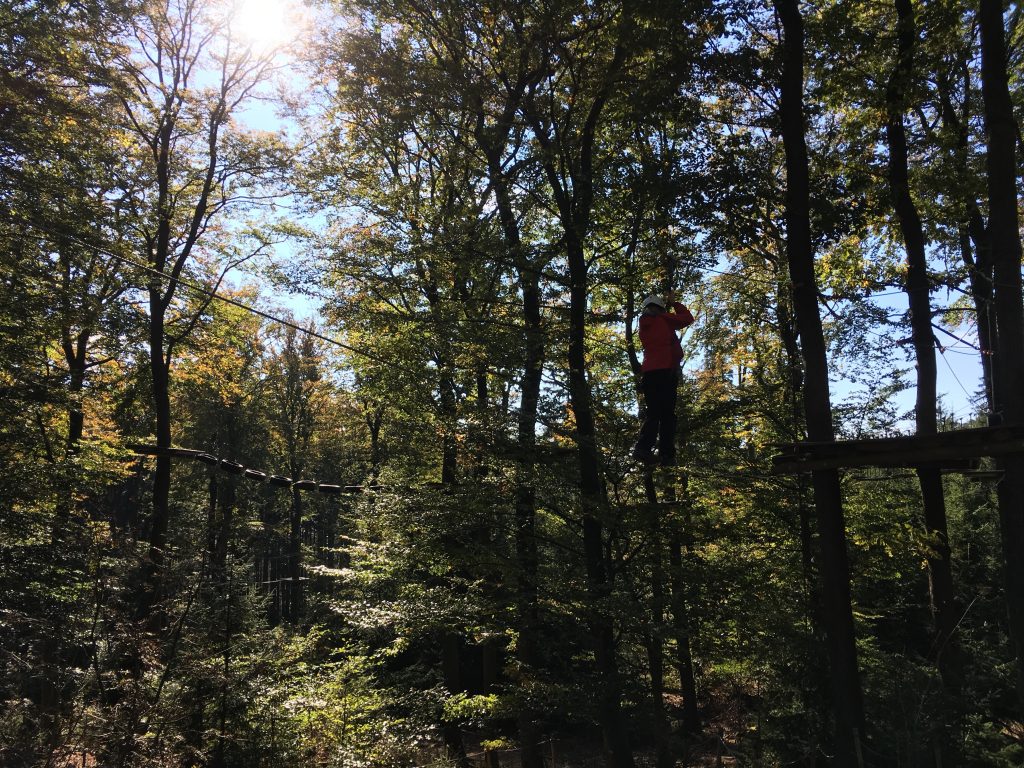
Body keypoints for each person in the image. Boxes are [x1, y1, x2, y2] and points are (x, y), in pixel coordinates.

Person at [632, 293, 694, 466]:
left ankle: (643, 448)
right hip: (665, 371)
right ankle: (667, 454)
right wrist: (674, 302)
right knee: (667, 415)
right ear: (660, 309)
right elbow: (687, 318)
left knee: (654, 413)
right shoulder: (663, 319)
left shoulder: (644, 324)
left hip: (650, 373)